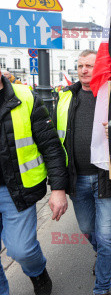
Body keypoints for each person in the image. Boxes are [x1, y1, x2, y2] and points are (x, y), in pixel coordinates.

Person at [54, 50, 111, 295]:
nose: (83, 70)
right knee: (86, 229)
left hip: (106, 178)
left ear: (100, 68)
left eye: (89, 66)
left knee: (107, 237)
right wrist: (58, 184)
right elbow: (57, 143)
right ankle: (101, 254)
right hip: (77, 179)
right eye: (80, 65)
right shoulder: (66, 97)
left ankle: (102, 288)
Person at [0, 70, 68, 295]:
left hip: (16, 191)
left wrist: (58, 188)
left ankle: (38, 272)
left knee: (21, 250)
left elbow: (50, 145)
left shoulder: (25, 96)